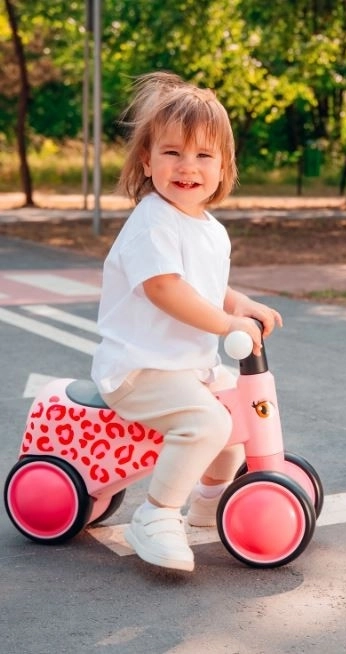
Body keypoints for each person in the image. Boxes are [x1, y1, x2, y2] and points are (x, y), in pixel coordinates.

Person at [91, 72, 282, 571]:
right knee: (208, 421)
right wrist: (225, 325)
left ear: (224, 168)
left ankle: (209, 500)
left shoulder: (208, 229)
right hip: (139, 369)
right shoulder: (152, 221)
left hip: (183, 367)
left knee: (235, 412)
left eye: (203, 156)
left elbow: (201, 284)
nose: (187, 167)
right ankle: (155, 515)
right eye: (173, 152)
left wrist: (240, 305)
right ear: (147, 160)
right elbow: (165, 288)